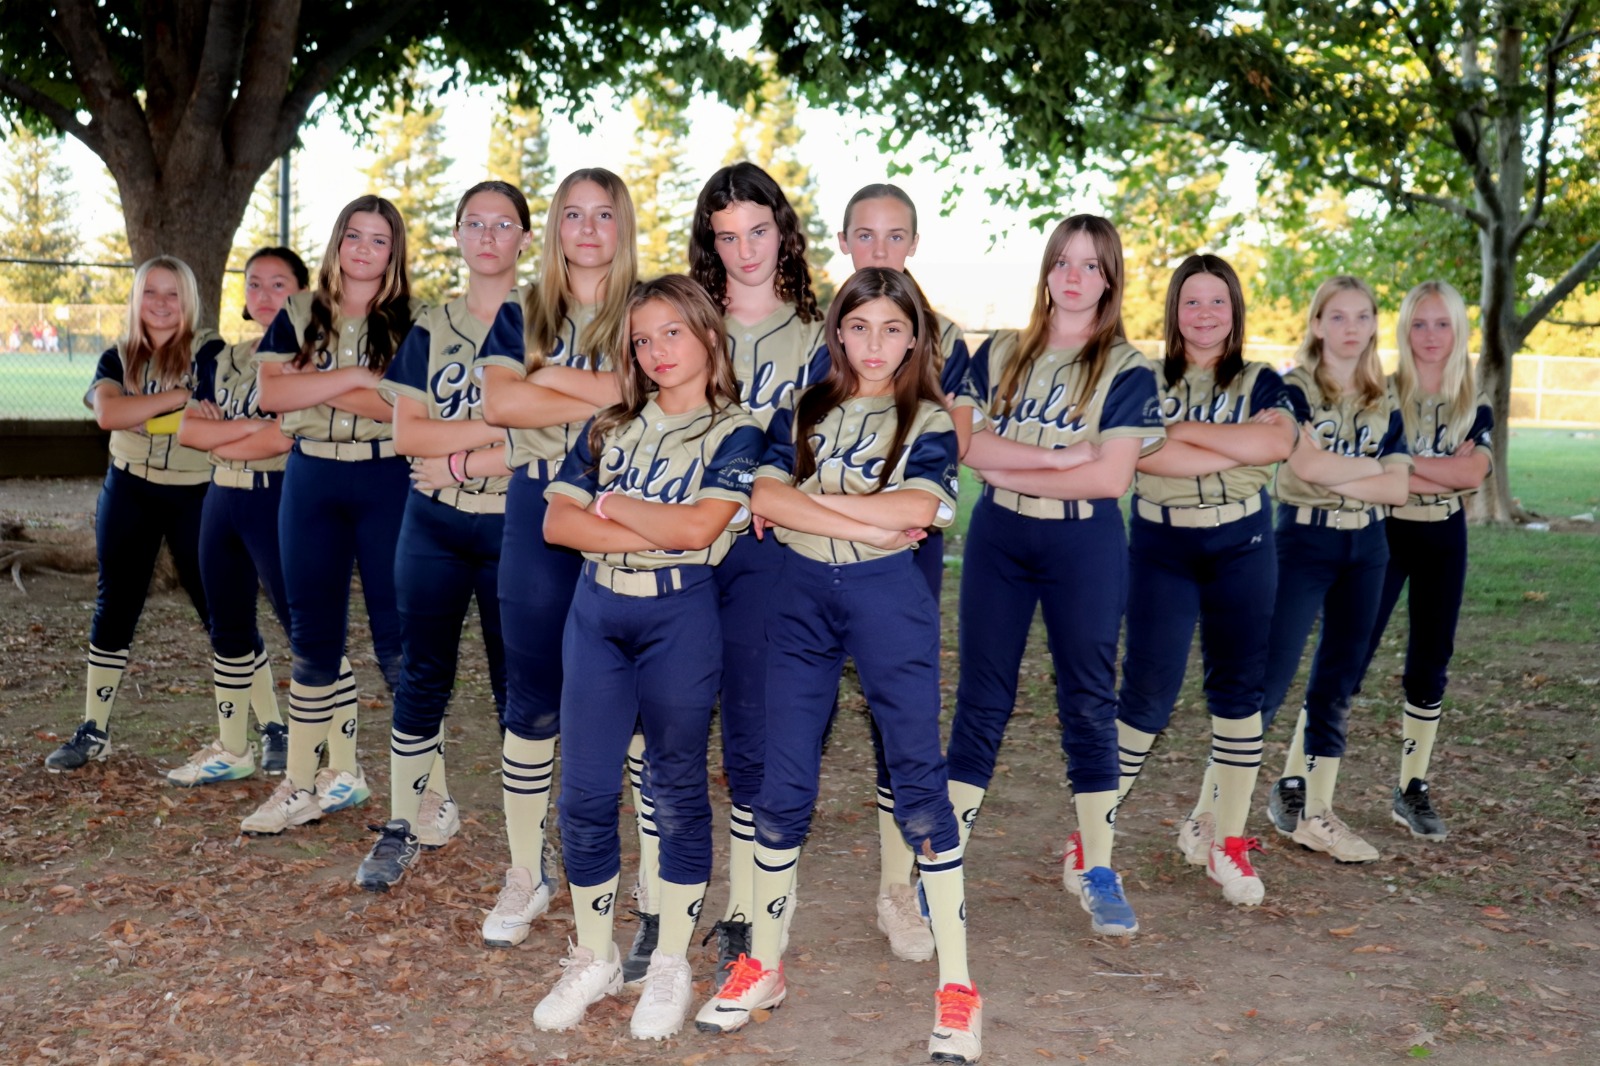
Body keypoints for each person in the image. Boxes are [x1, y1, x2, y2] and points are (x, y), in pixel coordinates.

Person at [696, 267, 981, 1064]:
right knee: (784, 782)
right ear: (838, 333)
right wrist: (865, 518)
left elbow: (917, 511)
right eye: (860, 328)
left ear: (915, 336)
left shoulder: (925, 416)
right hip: (800, 598)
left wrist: (821, 511)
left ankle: (958, 988)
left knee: (918, 780)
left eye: (893, 328)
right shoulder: (807, 409)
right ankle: (764, 963)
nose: (876, 344)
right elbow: (767, 498)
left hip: (887, 598)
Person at [530, 274, 763, 1040]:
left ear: (706, 333)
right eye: (641, 339)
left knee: (675, 787)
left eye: (672, 332)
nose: (657, 350)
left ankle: (668, 961)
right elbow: (559, 527)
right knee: (585, 794)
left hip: (679, 616)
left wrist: (618, 505)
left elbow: (700, 533)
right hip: (597, 612)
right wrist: (655, 523)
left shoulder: (738, 430)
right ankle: (594, 955)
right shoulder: (608, 425)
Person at [943, 214, 1163, 937]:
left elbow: (1110, 480)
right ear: (1046, 271)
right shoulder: (1002, 350)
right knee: (981, 698)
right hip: (1001, 532)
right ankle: (941, 867)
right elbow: (969, 450)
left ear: (1110, 280)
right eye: (1063, 261)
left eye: (1091, 265)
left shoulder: (1127, 367)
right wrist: (1062, 457)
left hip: (1084, 545)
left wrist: (1050, 460)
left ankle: (1097, 866)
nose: (1074, 276)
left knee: (1088, 702)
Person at [354, 181, 530, 890]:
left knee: (516, 687)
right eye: (474, 224)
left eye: (503, 224)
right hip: (432, 524)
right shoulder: (432, 327)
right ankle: (406, 822)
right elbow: (405, 434)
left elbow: (552, 432)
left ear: (523, 237)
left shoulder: (545, 323)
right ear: (457, 235)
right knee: (420, 674)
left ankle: (527, 850)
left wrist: (459, 446)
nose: (487, 237)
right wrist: (505, 422)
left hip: (516, 525)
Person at [477, 168, 635, 947]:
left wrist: (550, 379)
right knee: (531, 696)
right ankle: (525, 871)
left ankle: (653, 868)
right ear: (554, 229)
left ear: (622, 226)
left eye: (603, 214)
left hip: (624, 508)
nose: (587, 228)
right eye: (572, 214)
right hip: (536, 506)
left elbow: (656, 396)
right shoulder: (523, 310)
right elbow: (501, 404)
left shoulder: (649, 310)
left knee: (635, 695)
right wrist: (607, 390)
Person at [1110, 255, 1296, 906]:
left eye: (1218, 301)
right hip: (1161, 543)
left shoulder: (1262, 379)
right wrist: (1228, 440)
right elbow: (1142, 452)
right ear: (1174, 310)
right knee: (1145, 695)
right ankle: (1091, 841)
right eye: (1193, 302)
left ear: (1235, 309)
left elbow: (1275, 446)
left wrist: (1178, 434)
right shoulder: (1140, 376)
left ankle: (1227, 841)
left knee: (1239, 693)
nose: (1206, 313)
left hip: (1241, 541)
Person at [685, 161, 827, 983]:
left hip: (768, 549)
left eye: (759, 232)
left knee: (750, 734)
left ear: (784, 231)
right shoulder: (686, 321)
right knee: (663, 726)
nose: (744, 251)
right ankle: (665, 905)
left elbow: (823, 444)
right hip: (678, 543)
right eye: (727, 235)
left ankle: (745, 908)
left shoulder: (818, 334)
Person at [240, 195, 418, 834]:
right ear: (337, 243)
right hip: (311, 477)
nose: (364, 250)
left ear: (393, 252)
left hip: (386, 479)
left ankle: (425, 794)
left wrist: (324, 380)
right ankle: (300, 784)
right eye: (354, 236)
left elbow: (401, 412)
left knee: (399, 644)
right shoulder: (298, 311)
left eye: (378, 240)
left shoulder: (413, 321)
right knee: (313, 639)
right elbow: (271, 392)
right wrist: (352, 381)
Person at [834, 181, 978, 961]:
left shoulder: (947, 339)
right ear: (845, 241)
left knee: (901, 719)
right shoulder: (828, 331)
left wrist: (867, 508)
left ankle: (899, 888)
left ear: (914, 244)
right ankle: (756, 898)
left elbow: (948, 444)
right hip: (809, 556)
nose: (880, 251)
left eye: (894, 237)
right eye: (865, 235)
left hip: (902, 551)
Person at [45, 257, 222, 771]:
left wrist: (143, 411)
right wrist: (179, 398)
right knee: (115, 604)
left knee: (220, 609)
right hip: (129, 490)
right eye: (151, 293)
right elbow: (108, 414)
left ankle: (270, 727)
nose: (162, 304)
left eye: (172, 294)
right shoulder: (116, 355)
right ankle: (93, 728)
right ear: (136, 299)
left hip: (196, 493)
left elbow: (192, 425)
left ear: (188, 299)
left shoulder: (211, 354)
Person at [1259, 276, 1412, 863]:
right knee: (1267, 682)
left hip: (1367, 546)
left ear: (1374, 325)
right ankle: (1210, 814)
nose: (1351, 329)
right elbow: (1303, 466)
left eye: (1362, 317)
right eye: (1338, 317)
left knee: (1338, 682)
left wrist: (1334, 468)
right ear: (1318, 324)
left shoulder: (1383, 396)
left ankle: (1316, 812)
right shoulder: (1289, 387)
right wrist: (1363, 470)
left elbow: (1398, 488)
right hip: (1302, 540)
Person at [166, 247, 308, 785]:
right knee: (227, 626)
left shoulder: (306, 358)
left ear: (301, 293)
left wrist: (227, 435)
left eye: (278, 284)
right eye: (254, 285)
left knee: (305, 628)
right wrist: (248, 434)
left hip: (275, 499)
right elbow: (189, 431)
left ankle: (337, 762)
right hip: (220, 502)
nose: (264, 295)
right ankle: (233, 748)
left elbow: (285, 436)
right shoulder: (222, 357)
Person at [1360, 280, 1491, 841]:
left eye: (1442, 324)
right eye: (1419, 323)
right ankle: (1298, 780)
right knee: (1349, 651)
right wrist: (1433, 467)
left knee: (1430, 662)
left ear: (1459, 330)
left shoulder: (1472, 400)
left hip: (1444, 536)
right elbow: (1380, 473)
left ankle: (1411, 787)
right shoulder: (1381, 393)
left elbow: (1473, 475)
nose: (1431, 335)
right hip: (1386, 534)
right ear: (1403, 329)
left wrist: (1407, 464)